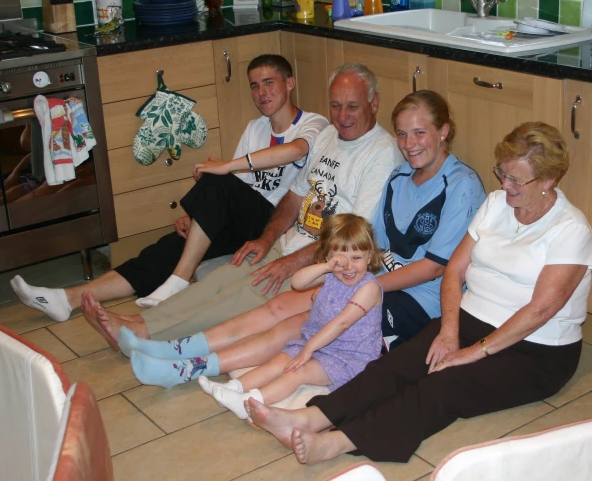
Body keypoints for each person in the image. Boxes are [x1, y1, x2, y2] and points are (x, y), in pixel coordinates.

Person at [246, 121, 592, 465]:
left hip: (536, 350)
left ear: (549, 180)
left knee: (442, 386)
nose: (505, 185)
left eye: (516, 179)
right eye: (502, 173)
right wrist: (449, 331)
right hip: (472, 319)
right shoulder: (496, 204)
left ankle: (335, 443)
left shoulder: (570, 229)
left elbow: (540, 311)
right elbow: (454, 270)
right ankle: (310, 418)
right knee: (395, 366)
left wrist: (474, 352)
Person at [88, 90, 485, 391]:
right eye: (403, 133)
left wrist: (363, 285)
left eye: (420, 132)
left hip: (419, 298)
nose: (410, 142)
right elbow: (370, 241)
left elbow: (435, 267)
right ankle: (173, 350)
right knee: (278, 304)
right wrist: (340, 270)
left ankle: (187, 367)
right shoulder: (400, 178)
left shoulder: (462, 185)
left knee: (297, 324)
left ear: (444, 131)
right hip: (367, 280)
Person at [82, 63, 404, 345]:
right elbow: (294, 197)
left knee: (242, 296)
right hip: (289, 244)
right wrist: (268, 238)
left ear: (374, 103)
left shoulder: (381, 153)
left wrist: (293, 262)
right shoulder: (327, 136)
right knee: (222, 279)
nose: (343, 116)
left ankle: (146, 332)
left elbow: (355, 239)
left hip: (326, 263)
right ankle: (139, 322)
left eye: (352, 106)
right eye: (336, 106)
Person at [10, 54, 329, 326]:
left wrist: (225, 166)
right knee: (168, 247)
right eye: (255, 86)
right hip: (243, 214)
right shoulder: (254, 128)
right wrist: (202, 218)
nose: (261, 92)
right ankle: (69, 298)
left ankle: (177, 281)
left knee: (216, 178)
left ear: (289, 84)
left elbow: (296, 150)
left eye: (269, 83)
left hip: (276, 220)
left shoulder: (314, 123)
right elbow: (241, 185)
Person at [125, 215, 383, 416]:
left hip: (347, 356)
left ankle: (250, 401)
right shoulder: (333, 274)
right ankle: (231, 388)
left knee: (297, 373)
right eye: (341, 258)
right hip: (317, 343)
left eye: (357, 258)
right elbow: (298, 282)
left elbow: (341, 323)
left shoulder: (369, 288)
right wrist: (327, 266)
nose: (348, 266)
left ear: (370, 256)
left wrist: (307, 350)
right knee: (277, 361)